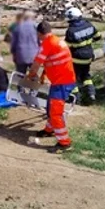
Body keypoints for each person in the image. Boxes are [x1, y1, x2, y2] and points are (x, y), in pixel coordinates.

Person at [27, 21, 77, 154]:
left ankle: (64, 143)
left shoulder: (47, 44)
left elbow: (36, 64)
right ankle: (49, 130)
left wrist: (30, 75)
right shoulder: (57, 41)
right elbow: (52, 61)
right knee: (51, 106)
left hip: (61, 82)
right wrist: (44, 74)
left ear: (39, 33)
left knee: (55, 112)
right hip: (64, 80)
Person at [64, 7, 101, 102]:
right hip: (88, 57)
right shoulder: (89, 25)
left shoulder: (71, 31)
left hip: (76, 59)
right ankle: (91, 94)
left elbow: (67, 46)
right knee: (86, 76)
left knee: (73, 78)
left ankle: (75, 98)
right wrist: (89, 41)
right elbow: (98, 36)